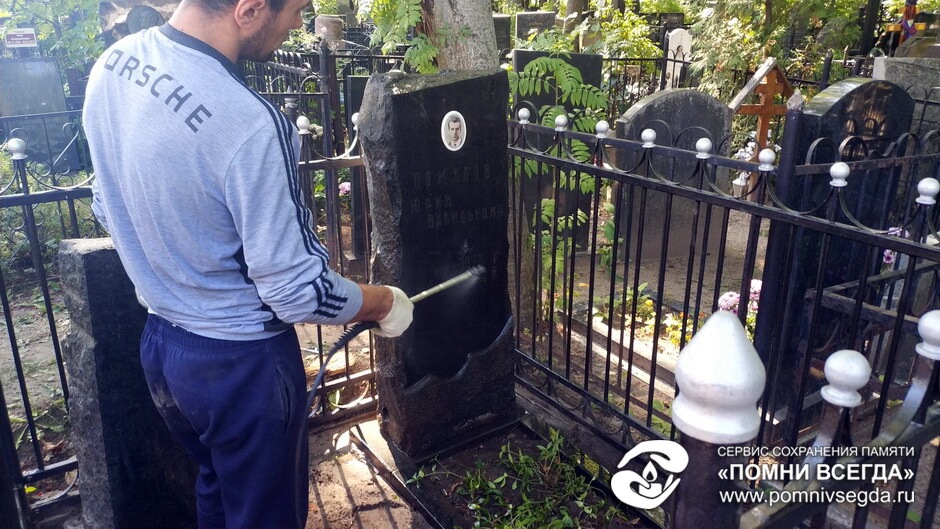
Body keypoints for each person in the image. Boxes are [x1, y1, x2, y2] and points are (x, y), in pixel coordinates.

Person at [81, 0, 414, 528]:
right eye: (297, 10)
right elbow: (298, 291)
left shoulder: (114, 64)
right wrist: (383, 302)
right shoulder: (251, 124)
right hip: (241, 367)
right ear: (250, 9)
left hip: (163, 350)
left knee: (216, 487)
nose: (299, 24)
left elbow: (106, 204)